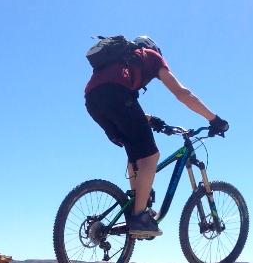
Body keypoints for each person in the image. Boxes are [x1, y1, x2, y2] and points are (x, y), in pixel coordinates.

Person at [85, 35, 229, 237]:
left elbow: (115, 102)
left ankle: (136, 206)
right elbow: (182, 94)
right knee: (151, 156)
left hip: (93, 102)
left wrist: (151, 120)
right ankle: (139, 218)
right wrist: (214, 119)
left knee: (135, 154)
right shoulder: (151, 57)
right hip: (116, 97)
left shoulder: (121, 65)